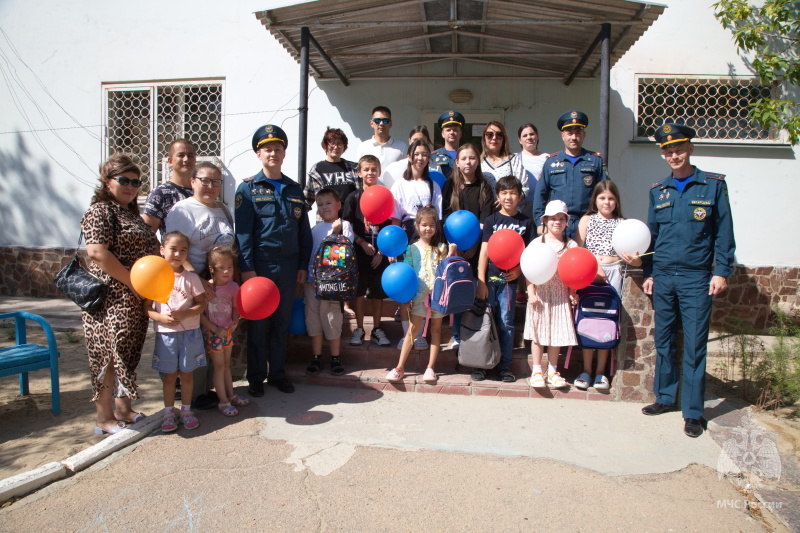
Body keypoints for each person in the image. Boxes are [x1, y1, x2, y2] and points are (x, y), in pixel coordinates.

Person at [641, 123, 735, 438]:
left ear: (690, 149)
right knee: (664, 341)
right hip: (664, 276)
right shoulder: (658, 191)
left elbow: (724, 233)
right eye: (668, 150)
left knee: (694, 346)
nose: (674, 155)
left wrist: (721, 270)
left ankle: (693, 412)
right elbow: (650, 238)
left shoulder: (712, 186)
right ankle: (666, 398)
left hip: (696, 278)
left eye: (679, 149)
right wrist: (649, 273)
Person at [81, 154, 160, 435]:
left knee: (127, 354)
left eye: (136, 182)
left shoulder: (131, 214)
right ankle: (104, 418)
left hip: (135, 297)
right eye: (123, 180)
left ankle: (124, 409)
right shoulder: (101, 211)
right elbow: (97, 252)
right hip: (110, 297)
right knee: (108, 357)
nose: (130, 186)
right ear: (107, 181)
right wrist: (133, 283)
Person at [235, 124, 312, 396]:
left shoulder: (294, 189)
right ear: (259, 154)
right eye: (267, 149)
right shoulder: (248, 189)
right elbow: (243, 234)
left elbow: (303, 232)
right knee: (258, 324)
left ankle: (277, 374)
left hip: (290, 267)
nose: (273, 153)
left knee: (281, 323)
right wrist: (247, 269)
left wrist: (303, 265)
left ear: (284, 153)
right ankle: (256, 377)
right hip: (261, 266)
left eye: (277, 149)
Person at [165, 162, 234, 408]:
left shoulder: (223, 210)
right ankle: (195, 395)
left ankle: (211, 389)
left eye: (216, 182)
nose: (210, 186)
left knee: (213, 336)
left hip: (218, 282)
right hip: (192, 283)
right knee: (195, 337)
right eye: (205, 180)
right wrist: (198, 280)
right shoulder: (182, 210)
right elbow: (176, 251)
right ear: (193, 181)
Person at [573, 180, 642, 390]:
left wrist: (635, 261)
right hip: (589, 274)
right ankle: (586, 370)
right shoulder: (587, 220)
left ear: (617, 201)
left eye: (611, 198)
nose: (606, 202)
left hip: (614, 275)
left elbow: (637, 259)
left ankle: (601, 373)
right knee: (589, 319)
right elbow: (577, 251)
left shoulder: (623, 223)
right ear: (595, 199)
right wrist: (592, 269)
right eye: (602, 198)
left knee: (606, 321)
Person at [145, 231, 207, 432]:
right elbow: (147, 308)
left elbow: (201, 304)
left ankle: (187, 411)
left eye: (183, 250)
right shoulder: (155, 276)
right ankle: (169, 413)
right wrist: (161, 318)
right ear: (162, 250)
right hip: (165, 336)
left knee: (187, 375)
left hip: (189, 334)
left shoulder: (191, 278)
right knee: (170, 376)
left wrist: (186, 313)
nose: (178, 254)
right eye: (173, 249)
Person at [386, 207, 456, 384]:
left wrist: (451, 253)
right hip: (418, 297)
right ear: (417, 226)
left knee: (436, 330)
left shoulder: (441, 248)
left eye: (431, 225)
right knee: (412, 331)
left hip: (438, 296)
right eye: (424, 225)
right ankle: (400, 367)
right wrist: (407, 296)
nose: (428, 229)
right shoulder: (411, 249)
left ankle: (430, 368)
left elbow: (446, 269)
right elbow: (407, 273)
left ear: (436, 227)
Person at [474, 176, 534, 382]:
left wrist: (519, 271)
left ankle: (505, 366)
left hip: (508, 283)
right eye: (504, 193)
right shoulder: (491, 221)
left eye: (513, 193)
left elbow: (530, 255)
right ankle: (481, 364)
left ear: (520, 196)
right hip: (489, 282)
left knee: (506, 323)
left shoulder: (526, 222)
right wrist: (480, 281)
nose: (509, 197)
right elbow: (484, 252)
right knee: (486, 322)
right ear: (498, 196)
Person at [441, 143, 494, 348]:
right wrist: (455, 245)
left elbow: (486, 219)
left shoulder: (484, 186)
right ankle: (456, 335)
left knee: (477, 290)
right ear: (457, 162)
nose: (468, 162)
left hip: (478, 247)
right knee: (457, 290)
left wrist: (474, 244)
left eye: (472, 158)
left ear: (477, 161)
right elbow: (445, 217)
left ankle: (477, 333)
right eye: (463, 158)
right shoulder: (450, 185)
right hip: (455, 247)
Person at [524, 200, 578, 389]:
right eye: (553, 218)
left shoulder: (571, 245)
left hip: (560, 294)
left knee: (557, 334)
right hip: (541, 294)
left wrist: (573, 292)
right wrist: (531, 292)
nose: (557, 222)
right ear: (545, 220)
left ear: (566, 222)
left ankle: (553, 370)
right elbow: (528, 269)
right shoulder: (537, 243)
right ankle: (537, 370)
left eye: (561, 219)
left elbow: (574, 271)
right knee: (538, 334)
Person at [342, 155, 393, 347]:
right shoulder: (353, 198)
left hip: (379, 255)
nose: (370, 173)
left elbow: (390, 227)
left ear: (379, 172)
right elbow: (347, 227)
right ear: (359, 172)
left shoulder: (386, 196)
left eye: (374, 169)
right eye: (366, 169)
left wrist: (382, 251)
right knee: (360, 292)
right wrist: (361, 242)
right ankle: (360, 328)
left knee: (378, 293)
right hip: (360, 253)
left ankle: (378, 329)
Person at [304, 188, 355, 376]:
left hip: (332, 284)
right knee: (313, 319)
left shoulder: (345, 225)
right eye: (320, 205)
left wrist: (335, 232)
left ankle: (335, 357)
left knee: (332, 318)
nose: (324, 207)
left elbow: (343, 248)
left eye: (328, 203)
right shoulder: (314, 229)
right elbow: (311, 254)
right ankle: (316, 357)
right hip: (312, 281)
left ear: (338, 205)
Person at [533, 111, 608, 239]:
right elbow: (540, 195)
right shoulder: (551, 162)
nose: (573, 137)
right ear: (563, 135)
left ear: (584, 135)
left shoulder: (595, 161)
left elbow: (605, 194)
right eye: (569, 133)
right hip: (558, 224)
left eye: (577, 133)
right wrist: (540, 222)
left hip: (588, 223)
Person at [199, 246, 248, 418]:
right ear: (212, 269)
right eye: (222, 268)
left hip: (227, 332)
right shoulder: (205, 289)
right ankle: (223, 401)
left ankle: (231, 395)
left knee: (227, 365)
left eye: (230, 267)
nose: (227, 271)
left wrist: (235, 322)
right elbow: (200, 315)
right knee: (219, 367)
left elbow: (235, 307)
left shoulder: (233, 287)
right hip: (213, 334)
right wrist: (215, 329)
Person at [142, 139, 197, 235]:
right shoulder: (160, 193)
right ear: (170, 161)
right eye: (181, 155)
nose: (186, 159)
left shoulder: (201, 191)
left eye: (190, 156)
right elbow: (147, 235)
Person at [304, 127, 361, 216]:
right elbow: (306, 200)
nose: (336, 147)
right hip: (326, 223)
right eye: (332, 143)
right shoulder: (317, 169)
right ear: (325, 146)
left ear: (344, 147)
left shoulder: (353, 168)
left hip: (351, 222)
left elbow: (362, 195)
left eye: (339, 144)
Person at [480, 121, 527, 198]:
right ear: (484, 138)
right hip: (485, 209)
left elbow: (524, 189)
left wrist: (505, 201)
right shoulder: (479, 161)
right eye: (489, 135)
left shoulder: (513, 160)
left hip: (508, 209)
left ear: (504, 138)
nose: (494, 138)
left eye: (499, 134)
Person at [515, 122, 548, 215]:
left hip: (541, 207)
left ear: (537, 136)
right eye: (525, 135)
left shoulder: (547, 158)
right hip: (519, 208)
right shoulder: (514, 158)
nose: (529, 137)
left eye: (532, 134)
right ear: (520, 140)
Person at [431, 110, 465, 179]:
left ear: (460, 133)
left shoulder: (466, 155)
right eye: (448, 130)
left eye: (455, 130)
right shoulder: (433, 156)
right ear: (443, 134)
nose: (452, 132)